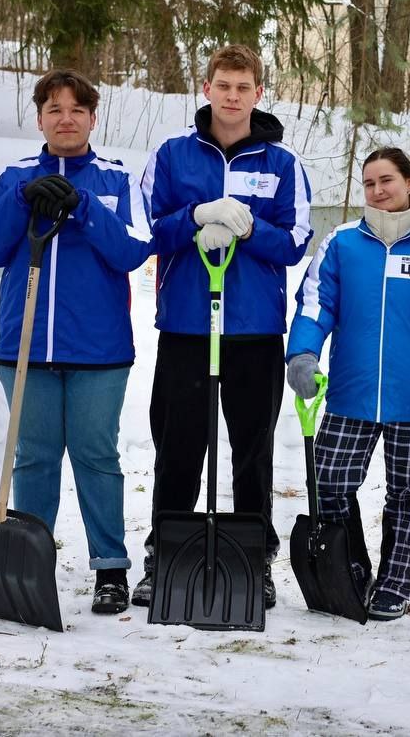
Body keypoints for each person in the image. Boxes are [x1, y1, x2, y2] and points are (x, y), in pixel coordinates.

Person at [0, 69, 151, 615]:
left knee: (96, 455)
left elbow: (134, 250)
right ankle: (30, 559)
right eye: (54, 109)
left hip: (99, 350)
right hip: (24, 345)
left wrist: (84, 207)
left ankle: (110, 569)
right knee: (35, 458)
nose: (65, 119)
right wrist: (22, 200)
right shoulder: (12, 176)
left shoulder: (116, 180)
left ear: (93, 119)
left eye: (76, 110)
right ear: (40, 119)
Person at [135, 44, 314, 608]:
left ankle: (252, 558)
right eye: (223, 86)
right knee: (178, 446)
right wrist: (195, 217)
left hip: (254, 330)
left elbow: (295, 243)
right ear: (206, 88)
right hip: (187, 325)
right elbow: (145, 229)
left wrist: (248, 229)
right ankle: (166, 554)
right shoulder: (173, 156)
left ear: (258, 93)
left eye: (243, 88)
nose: (232, 97)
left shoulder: (281, 164)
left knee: (252, 450)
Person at [286, 147, 410, 620]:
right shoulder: (342, 244)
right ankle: (350, 568)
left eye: (386, 180)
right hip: (350, 392)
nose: (377, 190)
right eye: (369, 183)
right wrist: (304, 353)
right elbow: (315, 304)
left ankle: (396, 583)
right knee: (329, 482)